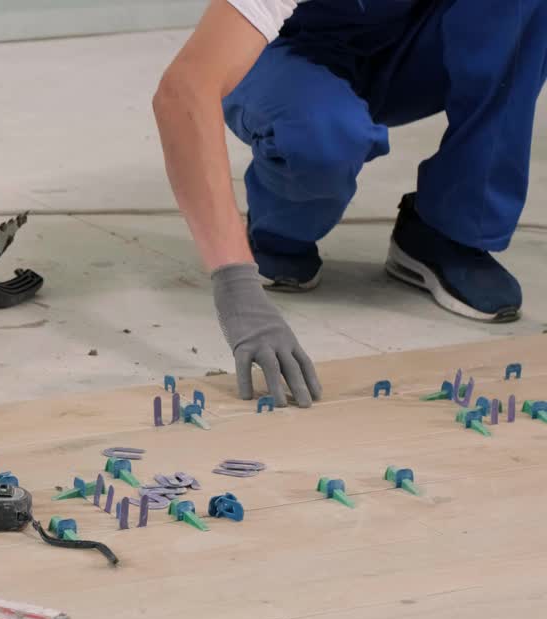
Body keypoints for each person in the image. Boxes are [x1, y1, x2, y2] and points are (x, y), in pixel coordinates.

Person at [153, 0, 544, 407]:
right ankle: (279, 230)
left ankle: (446, 231)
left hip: (409, 46)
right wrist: (234, 285)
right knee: (320, 138)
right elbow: (185, 89)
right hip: (290, 52)